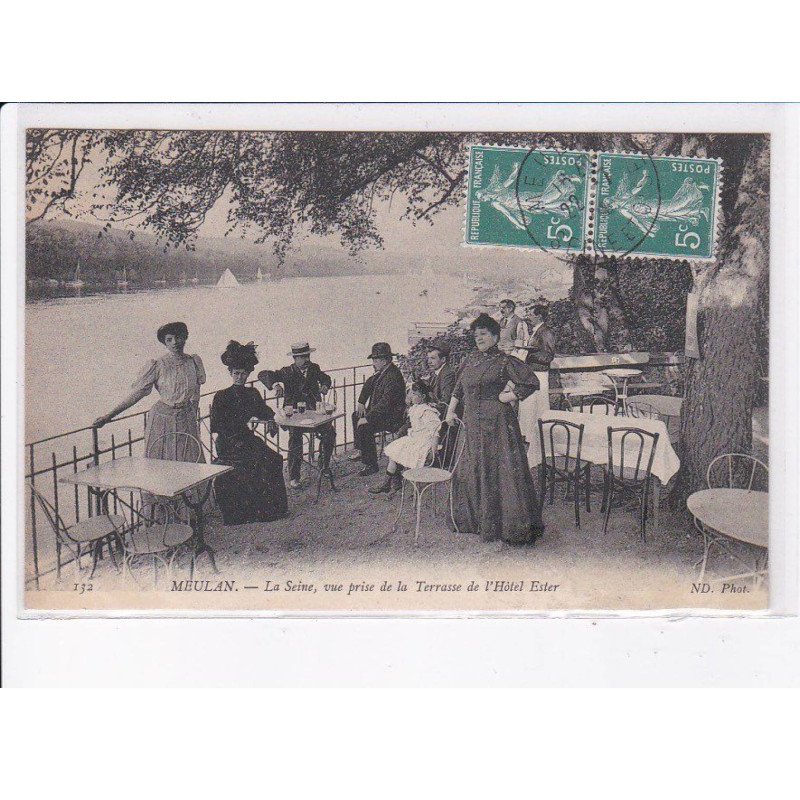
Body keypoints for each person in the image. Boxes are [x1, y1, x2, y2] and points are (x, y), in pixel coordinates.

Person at [444, 313, 544, 544]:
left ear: (496, 336)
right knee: (473, 467)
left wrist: (507, 395)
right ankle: (475, 521)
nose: (479, 338)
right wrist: (450, 411)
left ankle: (503, 526)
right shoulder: (469, 360)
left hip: (497, 424)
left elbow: (531, 383)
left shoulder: (504, 361)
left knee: (500, 469)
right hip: (471, 423)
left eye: (484, 334)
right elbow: (458, 390)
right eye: (476, 335)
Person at [93, 321, 205, 461]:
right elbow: (137, 394)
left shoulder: (194, 361)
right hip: (162, 419)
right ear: (164, 343)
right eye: (169, 340)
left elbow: (196, 390)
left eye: (178, 337)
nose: (174, 343)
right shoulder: (158, 365)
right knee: (162, 462)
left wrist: (193, 410)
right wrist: (108, 416)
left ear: (185, 337)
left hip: (186, 418)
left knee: (189, 459)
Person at [211, 341, 288, 524]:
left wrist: (270, 421)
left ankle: (271, 510)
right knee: (250, 464)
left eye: (243, 373)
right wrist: (236, 441)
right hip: (227, 442)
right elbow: (217, 426)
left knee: (274, 458)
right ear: (230, 373)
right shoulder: (221, 396)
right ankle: (241, 515)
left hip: (246, 438)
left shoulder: (251, 393)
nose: (240, 377)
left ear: (248, 374)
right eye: (236, 373)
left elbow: (264, 411)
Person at [258, 342, 335, 490]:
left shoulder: (314, 368)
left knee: (329, 432)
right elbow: (263, 374)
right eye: (302, 357)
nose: (306, 360)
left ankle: (324, 465)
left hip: (315, 414)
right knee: (295, 439)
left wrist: (325, 385)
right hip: (294, 416)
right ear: (294, 358)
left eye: (307, 356)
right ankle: (294, 476)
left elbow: (325, 378)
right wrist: (276, 385)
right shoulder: (287, 372)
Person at [368, 379, 443, 495]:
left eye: (414, 394)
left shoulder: (427, 411)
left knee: (402, 451)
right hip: (415, 439)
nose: (412, 396)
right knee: (394, 451)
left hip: (424, 443)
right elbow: (408, 403)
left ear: (422, 396)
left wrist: (434, 451)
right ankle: (387, 482)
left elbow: (435, 431)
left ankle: (409, 484)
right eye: (411, 394)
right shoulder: (416, 408)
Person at [350, 342, 407, 476]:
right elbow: (369, 383)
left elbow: (385, 404)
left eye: (375, 360)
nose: (373, 363)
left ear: (384, 360)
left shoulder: (393, 377)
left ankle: (371, 465)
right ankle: (362, 450)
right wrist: (361, 402)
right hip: (383, 414)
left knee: (365, 426)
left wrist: (367, 418)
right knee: (356, 415)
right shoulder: (383, 372)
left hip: (392, 418)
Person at [515, 303, 557, 459]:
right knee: (529, 405)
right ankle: (529, 436)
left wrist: (529, 353)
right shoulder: (536, 331)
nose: (529, 317)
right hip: (532, 373)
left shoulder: (546, 332)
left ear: (539, 316)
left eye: (531, 314)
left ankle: (537, 437)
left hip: (539, 374)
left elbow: (548, 356)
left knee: (537, 405)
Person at [424, 340, 456, 416]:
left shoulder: (448, 374)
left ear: (443, 359)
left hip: (443, 416)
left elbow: (445, 401)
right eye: (428, 358)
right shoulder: (434, 372)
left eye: (433, 358)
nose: (429, 362)